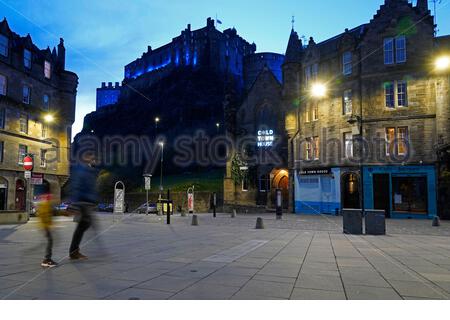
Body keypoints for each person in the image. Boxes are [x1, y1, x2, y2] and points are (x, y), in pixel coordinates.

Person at [69, 153, 98, 260]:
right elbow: (77, 186)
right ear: (87, 158)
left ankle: (74, 251)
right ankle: (74, 251)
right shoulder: (82, 170)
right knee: (83, 226)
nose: (95, 160)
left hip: (86, 202)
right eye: (93, 158)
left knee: (83, 226)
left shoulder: (88, 170)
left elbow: (91, 188)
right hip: (82, 203)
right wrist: (75, 204)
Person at [37, 193, 58, 268]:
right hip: (46, 227)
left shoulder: (46, 205)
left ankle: (47, 259)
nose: (53, 200)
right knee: (50, 241)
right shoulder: (45, 205)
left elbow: (53, 213)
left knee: (50, 241)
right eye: (51, 198)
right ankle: (47, 260)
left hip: (45, 226)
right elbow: (44, 215)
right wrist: (48, 226)